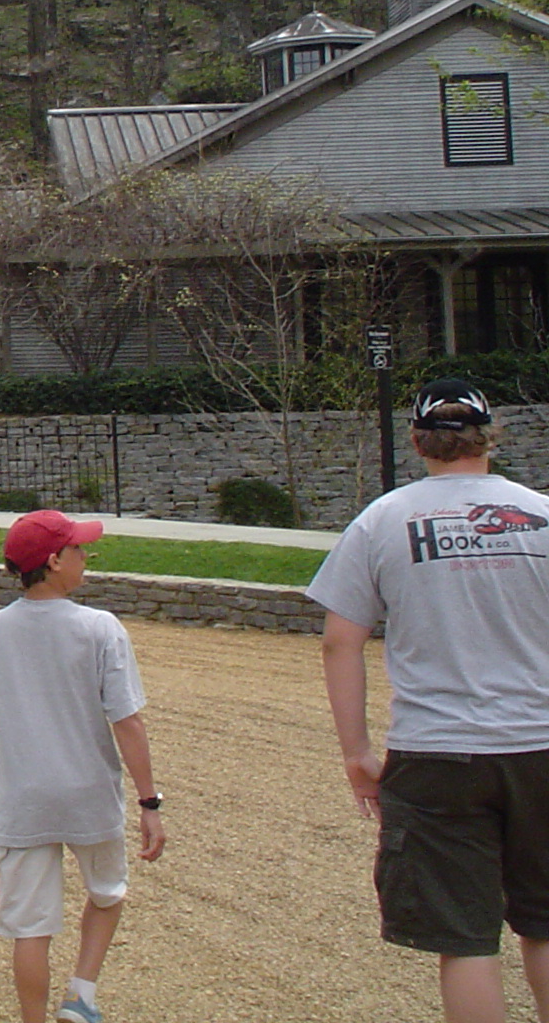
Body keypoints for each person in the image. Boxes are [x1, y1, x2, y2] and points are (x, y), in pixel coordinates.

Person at [309, 378, 549, 1023]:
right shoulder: (544, 514)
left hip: (436, 750)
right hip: (542, 745)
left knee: (465, 941)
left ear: (417, 441)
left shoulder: (382, 521)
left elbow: (341, 642)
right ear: (489, 434)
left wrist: (357, 751)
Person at [0, 508, 166, 1023]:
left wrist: (1, 777)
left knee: (30, 927)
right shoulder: (100, 628)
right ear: (53, 561)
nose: (85, 556)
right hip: (89, 792)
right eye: (76, 549)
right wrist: (149, 801)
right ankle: (82, 995)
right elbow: (128, 722)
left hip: (24, 797)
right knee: (108, 892)